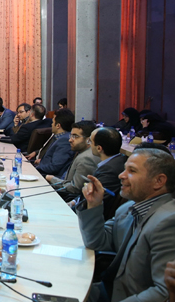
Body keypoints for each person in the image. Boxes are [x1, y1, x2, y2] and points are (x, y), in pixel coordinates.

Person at [77, 147, 175, 302]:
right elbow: (96, 242)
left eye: (132, 171)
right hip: (105, 290)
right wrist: (94, 205)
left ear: (159, 181)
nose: (121, 175)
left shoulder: (169, 222)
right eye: (124, 169)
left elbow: (164, 293)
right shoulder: (128, 208)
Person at [71, 127, 128, 217]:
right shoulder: (119, 160)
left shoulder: (109, 171)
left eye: (90, 142)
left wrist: (70, 208)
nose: (89, 145)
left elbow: (94, 201)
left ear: (99, 148)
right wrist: (73, 202)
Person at [46, 120, 100, 201]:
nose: (70, 140)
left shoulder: (85, 158)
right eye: (71, 136)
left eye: (75, 136)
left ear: (89, 140)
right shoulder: (82, 152)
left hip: (67, 199)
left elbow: (75, 188)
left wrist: (51, 179)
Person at [35, 108, 76, 177]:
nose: (51, 124)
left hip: (47, 177)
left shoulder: (64, 141)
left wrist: (35, 168)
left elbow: (54, 167)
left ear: (58, 126)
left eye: (53, 122)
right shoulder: (59, 137)